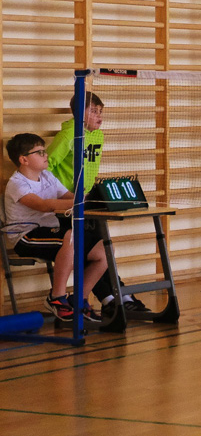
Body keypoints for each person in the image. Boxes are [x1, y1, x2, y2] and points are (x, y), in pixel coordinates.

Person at [46, 92, 148, 313]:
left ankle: (116, 296)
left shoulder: (97, 136)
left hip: (87, 199)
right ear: (79, 113)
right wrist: (63, 194)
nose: (99, 116)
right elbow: (47, 167)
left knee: (101, 248)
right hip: (67, 205)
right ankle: (111, 297)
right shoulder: (69, 135)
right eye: (93, 111)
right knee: (87, 250)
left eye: (101, 111)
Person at [4, 133, 107, 322]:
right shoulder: (17, 184)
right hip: (26, 236)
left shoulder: (47, 176)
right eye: (40, 152)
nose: (46, 155)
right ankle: (56, 298)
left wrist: (91, 200)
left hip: (50, 233)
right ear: (23, 159)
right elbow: (44, 205)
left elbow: (69, 197)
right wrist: (79, 204)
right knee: (70, 236)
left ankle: (79, 299)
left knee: (104, 251)